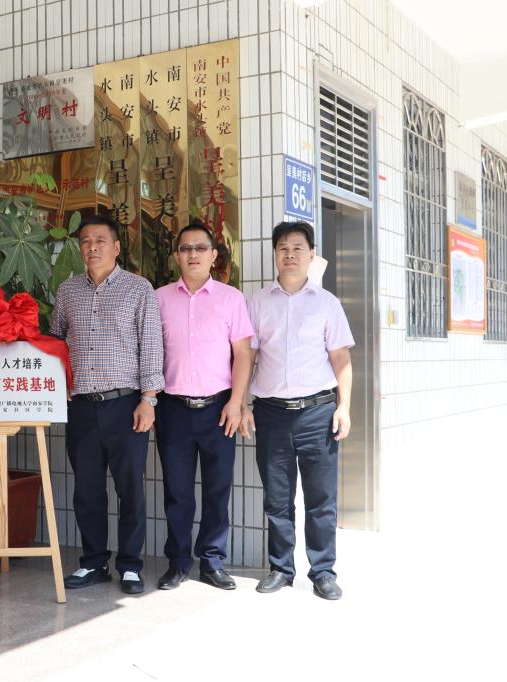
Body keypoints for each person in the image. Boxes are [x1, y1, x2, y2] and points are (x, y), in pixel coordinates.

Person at [50, 215, 163, 595]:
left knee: (130, 489)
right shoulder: (68, 291)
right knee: (87, 489)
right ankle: (93, 562)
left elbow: (151, 346)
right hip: (81, 406)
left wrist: (148, 399)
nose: (92, 247)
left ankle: (130, 565)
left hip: (125, 404)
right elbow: (54, 342)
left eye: (100, 240)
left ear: (116, 247)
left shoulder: (138, 289)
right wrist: (57, 386)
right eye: (85, 241)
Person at [240, 221, 353, 600]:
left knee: (321, 500)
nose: (290, 255)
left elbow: (341, 359)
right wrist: (242, 403)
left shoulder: (327, 303)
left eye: (297, 248)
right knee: (277, 498)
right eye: (283, 248)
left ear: (311, 254)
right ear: (275, 254)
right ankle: (280, 569)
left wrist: (344, 406)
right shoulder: (258, 302)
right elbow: (248, 358)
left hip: (318, 414)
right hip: (271, 414)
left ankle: (323, 572)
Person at [154, 223, 253, 591]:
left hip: (219, 409)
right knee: (176, 491)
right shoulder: (159, 299)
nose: (192, 254)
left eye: (200, 248)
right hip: (172, 408)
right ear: (176, 256)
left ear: (213, 255)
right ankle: (178, 562)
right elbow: (150, 354)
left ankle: (212, 562)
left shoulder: (231, 299)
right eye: (185, 248)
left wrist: (237, 402)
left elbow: (243, 354)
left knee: (217, 488)